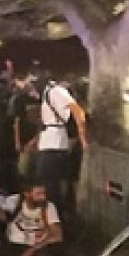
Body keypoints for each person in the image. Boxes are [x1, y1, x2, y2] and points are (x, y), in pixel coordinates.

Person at [0, 181, 65, 256]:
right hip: (14, 244)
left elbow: (57, 235)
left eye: (44, 193)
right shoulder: (15, 201)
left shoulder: (48, 206)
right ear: (27, 194)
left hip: (37, 246)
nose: (43, 197)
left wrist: (31, 251)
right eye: (38, 194)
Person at [36, 77, 88, 213]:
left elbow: (78, 112)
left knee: (51, 182)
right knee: (49, 180)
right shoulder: (49, 93)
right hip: (50, 141)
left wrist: (83, 138)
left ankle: (56, 213)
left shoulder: (56, 91)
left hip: (54, 143)